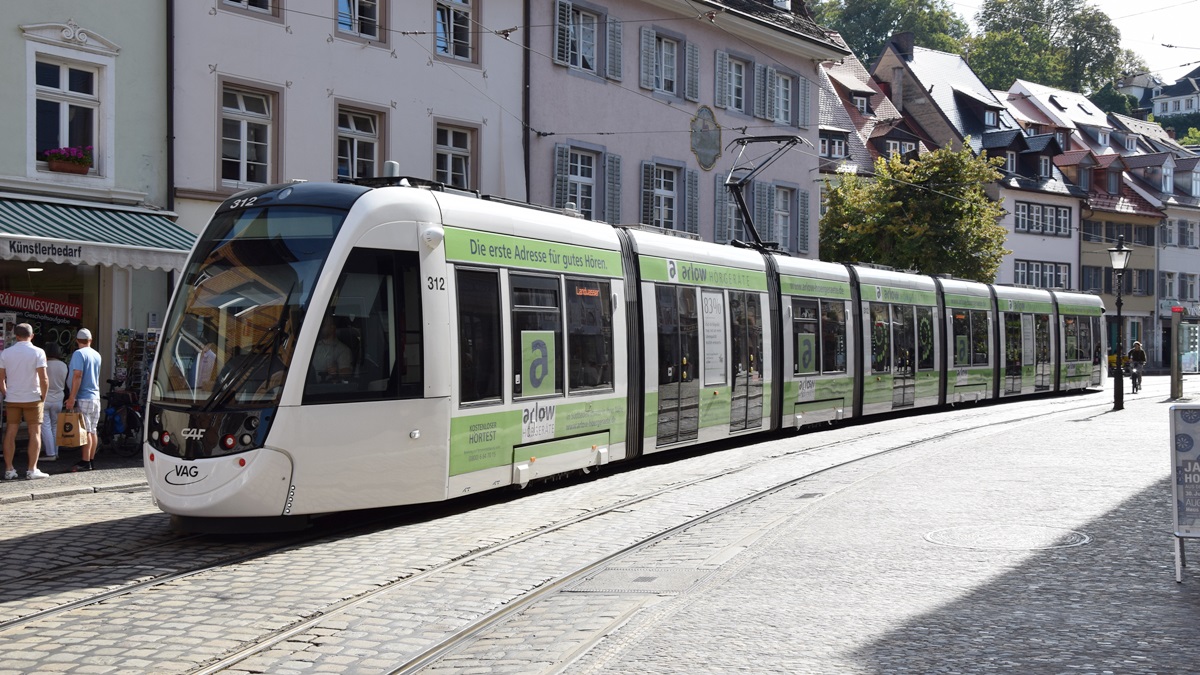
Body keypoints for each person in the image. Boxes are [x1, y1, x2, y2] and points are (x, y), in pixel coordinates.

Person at [0, 323, 49, 480]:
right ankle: (32, 469)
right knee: (35, 432)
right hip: (33, 397)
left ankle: (9, 469)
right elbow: (44, 378)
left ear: (16, 335)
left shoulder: (6, 353)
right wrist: (44, 397)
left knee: (10, 432)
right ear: (32, 335)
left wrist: (6, 393)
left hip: (13, 397)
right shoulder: (38, 352)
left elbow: (1, 378)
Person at [64, 328, 101, 472]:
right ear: (90, 340)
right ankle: (91, 460)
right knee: (93, 430)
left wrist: (71, 397)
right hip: (95, 396)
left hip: (83, 396)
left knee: (85, 431)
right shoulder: (97, 355)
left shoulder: (78, 354)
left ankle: (85, 461)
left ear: (77, 341)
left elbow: (77, 375)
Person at [39, 342, 69, 462]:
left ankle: (50, 453)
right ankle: (56, 452)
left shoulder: (44, 364)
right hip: (58, 399)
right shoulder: (63, 365)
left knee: (45, 426)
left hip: (45, 398)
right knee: (55, 425)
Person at [311, 315, 352, 382]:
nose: (320, 327)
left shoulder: (343, 350)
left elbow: (347, 372)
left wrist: (337, 371)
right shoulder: (313, 346)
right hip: (308, 385)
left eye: (323, 325)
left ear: (332, 328)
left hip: (326, 388)